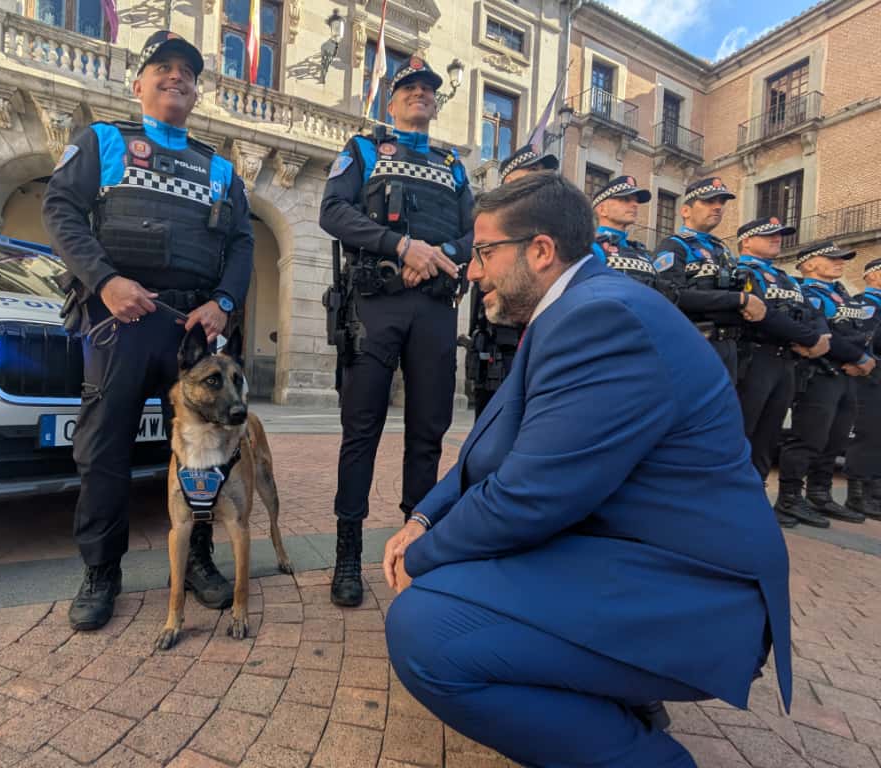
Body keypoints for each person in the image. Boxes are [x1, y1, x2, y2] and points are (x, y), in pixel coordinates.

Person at [382, 173, 791, 768]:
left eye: (484, 252)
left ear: (540, 251)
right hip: (631, 557)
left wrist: (419, 559)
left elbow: (529, 497)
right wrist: (423, 518)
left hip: (696, 595)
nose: (472, 272)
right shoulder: (576, 308)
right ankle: (616, 699)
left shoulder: (602, 318)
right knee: (451, 585)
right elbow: (488, 450)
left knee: (429, 628)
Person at [43, 31, 255, 630]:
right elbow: (59, 210)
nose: (176, 79)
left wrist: (224, 301)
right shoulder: (103, 140)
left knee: (210, 450)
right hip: (119, 320)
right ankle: (101, 571)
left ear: (196, 91)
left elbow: (243, 243)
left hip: (193, 327)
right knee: (104, 449)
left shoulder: (220, 168)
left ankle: (199, 559)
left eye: (187, 73)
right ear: (138, 84)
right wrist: (106, 281)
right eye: (162, 69)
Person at [320, 56, 475, 606]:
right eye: (409, 87)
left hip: (433, 308)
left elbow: (472, 234)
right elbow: (333, 212)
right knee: (359, 431)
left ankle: (415, 549)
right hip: (376, 305)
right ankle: (346, 556)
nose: (421, 94)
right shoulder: (363, 149)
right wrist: (402, 246)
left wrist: (435, 256)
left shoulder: (453, 164)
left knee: (427, 436)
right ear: (391, 100)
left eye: (429, 89)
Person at [733, 217, 831, 528]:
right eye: (769, 235)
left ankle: (756, 496)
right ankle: (731, 499)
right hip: (755, 359)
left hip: (785, 362)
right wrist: (810, 339)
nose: (777, 239)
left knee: (768, 436)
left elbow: (813, 314)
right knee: (743, 433)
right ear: (747, 241)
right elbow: (763, 314)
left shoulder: (786, 279)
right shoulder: (744, 271)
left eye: (780, 235)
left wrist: (820, 338)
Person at [776, 243, 876, 526]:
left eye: (841, 258)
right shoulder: (807, 293)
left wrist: (861, 357)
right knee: (808, 439)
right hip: (819, 373)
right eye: (831, 258)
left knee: (836, 438)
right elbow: (824, 334)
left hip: (846, 374)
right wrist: (857, 356)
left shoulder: (841, 293)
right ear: (808, 264)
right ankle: (788, 499)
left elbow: (860, 332)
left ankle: (819, 495)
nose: (839, 262)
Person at [464, 145, 558, 419]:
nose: (538, 180)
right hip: (500, 342)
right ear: (508, 182)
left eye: (542, 174)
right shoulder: (489, 225)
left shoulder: (553, 229)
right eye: (530, 173)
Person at [654, 177, 767, 382]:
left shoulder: (721, 249)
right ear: (685, 211)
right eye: (708, 202)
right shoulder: (674, 246)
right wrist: (739, 300)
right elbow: (672, 296)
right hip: (696, 343)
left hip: (730, 346)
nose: (717, 207)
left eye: (721, 202)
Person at [845, 258, 881, 519]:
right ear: (874, 276)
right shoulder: (865, 303)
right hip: (872, 375)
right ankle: (857, 495)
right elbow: (865, 339)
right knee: (869, 433)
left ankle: (875, 493)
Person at [589, 176, 660, 288]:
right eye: (626, 199)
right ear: (603, 210)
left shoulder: (642, 253)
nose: (635, 205)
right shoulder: (592, 248)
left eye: (636, 200)